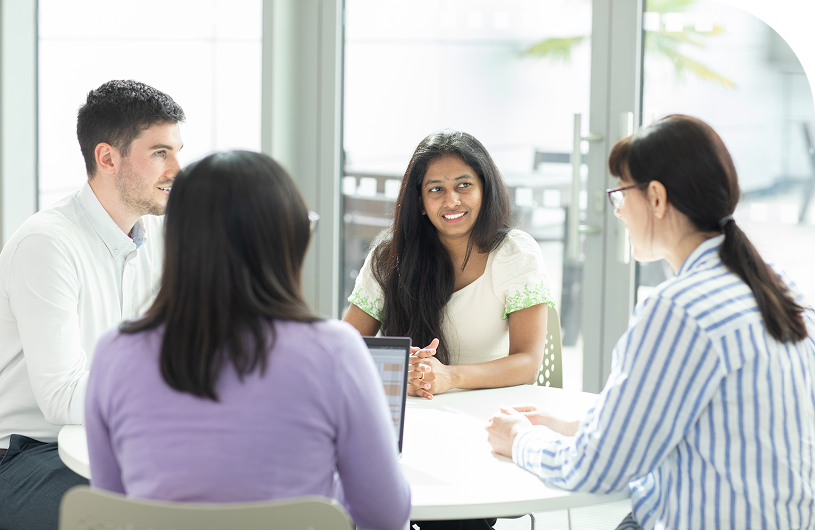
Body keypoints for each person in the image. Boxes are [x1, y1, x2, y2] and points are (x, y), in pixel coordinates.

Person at [486, 115, 815, 529]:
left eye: (621, 194)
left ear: (656, 198)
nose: (619, 212)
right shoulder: (779, 287)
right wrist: (573, 427)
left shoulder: (679, 309)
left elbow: (595, 470)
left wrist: (519, 438)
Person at [84, 151, 410, 530]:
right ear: (287, 241)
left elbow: (111, 509)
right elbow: (385, 516)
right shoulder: (335, 352)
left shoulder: (114, 353)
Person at [0, 80, 184, 530]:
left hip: (118, 443)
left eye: (177, 151)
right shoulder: (48, 243)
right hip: (27, 453)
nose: (178, 168)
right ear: (107, 158)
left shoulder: (159, 237)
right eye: (160, 153)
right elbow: (62, 397)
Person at [343, 130, 555, 402]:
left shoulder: (515, 253)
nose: (451, 200)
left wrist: (450, 377)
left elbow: (527, 363)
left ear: (484, 190)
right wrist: (400, 374)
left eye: (464, 185)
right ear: (420, 202)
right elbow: (346, 349)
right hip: (415, 412)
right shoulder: (388, 256)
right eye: (436, 189)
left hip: (493, 411)